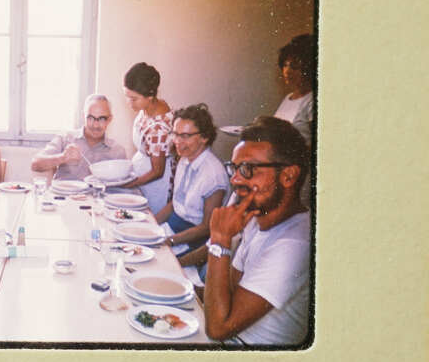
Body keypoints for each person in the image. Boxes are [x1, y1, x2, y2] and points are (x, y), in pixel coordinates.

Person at [202, 116, 311, 346]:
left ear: (289, 175)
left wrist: (219, 240)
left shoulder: (295, 244)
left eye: (248, 168)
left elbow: (218, 327)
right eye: (235, 167)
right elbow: (229, 292)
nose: (235, 178)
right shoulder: (256, 220)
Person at [154, 104, 229, 255]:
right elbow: (175, 204)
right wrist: (151, 225)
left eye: (186, 136)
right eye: (175, 134)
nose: (178, 141)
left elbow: (206, 227)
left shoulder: (214, 175)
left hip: (192, 241)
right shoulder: (185, 159)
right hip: (172, 228)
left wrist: (169, 241)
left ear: (204, 137)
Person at [30, 94, 126, 180]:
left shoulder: (117, 151)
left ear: (109, 119)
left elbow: (123, 185)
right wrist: (62, 158)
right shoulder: (66, 138)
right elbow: (35, 164)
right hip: (65, 198)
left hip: (98, 199)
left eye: (102, 119)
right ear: (83, 116)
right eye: (90, 118)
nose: (95, 125)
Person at [122, 62, 175, 213]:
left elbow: (158, 171)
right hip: (140, 176)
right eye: (127, 96)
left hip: (155, 185)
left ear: (150, 96)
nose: (129, 103)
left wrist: (131, 183)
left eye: (134, 99)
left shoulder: (159, 128)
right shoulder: (148, 106)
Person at [274, 34, 314, 145]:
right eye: (285, 65)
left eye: (294, 66)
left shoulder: (312, 100)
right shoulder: (288, 97)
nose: (287, 71)